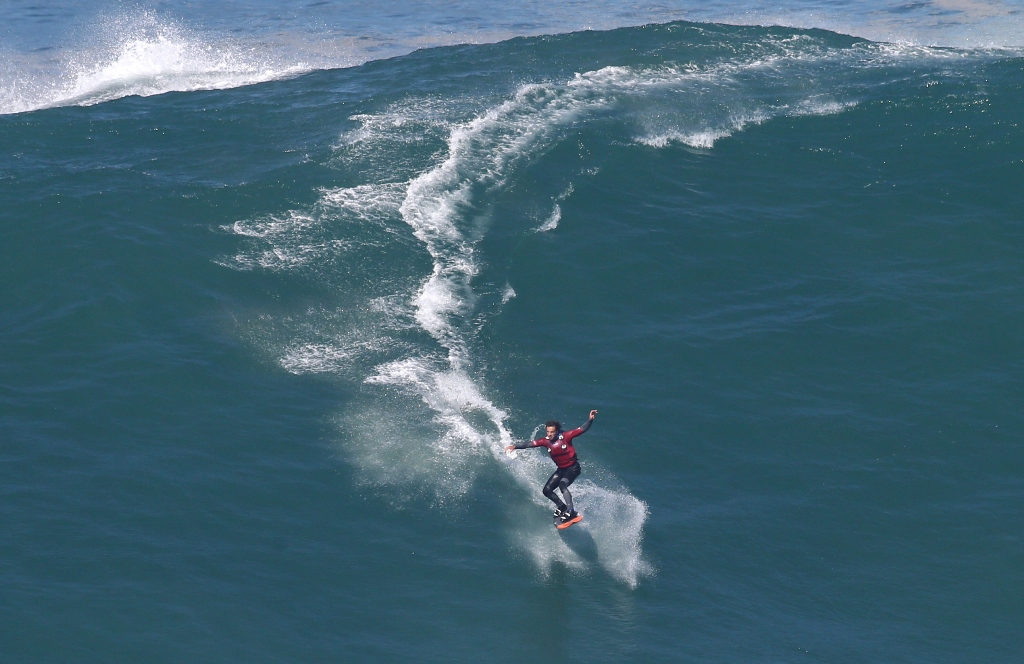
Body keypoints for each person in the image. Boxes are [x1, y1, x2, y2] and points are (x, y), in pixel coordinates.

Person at [505, 410, 597, 529]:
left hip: (573, 468)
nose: (549, 434)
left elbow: (582, 429)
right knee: (547, 490)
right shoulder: (545, 441)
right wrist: (515, 446)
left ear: (557, 431)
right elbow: (530, 444)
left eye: (552, 432)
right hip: (561, 469)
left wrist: (590, 420)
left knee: (562, 485)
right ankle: (562, 507)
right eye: (548, 432)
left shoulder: (566, 436)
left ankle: (571, 511)